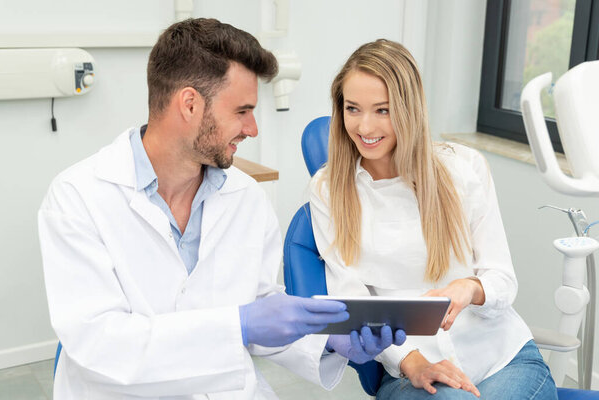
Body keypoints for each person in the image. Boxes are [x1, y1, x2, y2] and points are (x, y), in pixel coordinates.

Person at [38, 19, 405, 399]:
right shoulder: (77, 198)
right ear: (190, 104)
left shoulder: (245, 197)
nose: (253, 129)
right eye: (242, 111)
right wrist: (238, 325)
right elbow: (98, 344)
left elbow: (260, 312)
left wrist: (326, 344)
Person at [309, 39, 558, 399]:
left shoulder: (463, 168)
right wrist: (410, 361)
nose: (365, 126)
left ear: (409, 109)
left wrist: (470, 289)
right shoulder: (328, 190)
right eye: (353, 109)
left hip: (502, 357)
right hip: (410, 368)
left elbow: (502, 278)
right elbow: (351, 297)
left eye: (383, 110)